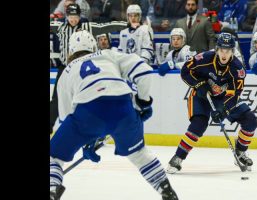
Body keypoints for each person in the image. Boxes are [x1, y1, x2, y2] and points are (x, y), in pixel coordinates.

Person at [49, 30, 179, 200]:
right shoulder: (109, 54)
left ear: (71, 50)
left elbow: (67, 117)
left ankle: (51, 189)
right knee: (139, 154)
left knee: (55, 156)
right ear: (94, 46)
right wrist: (142, 103)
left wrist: (87, 139)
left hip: (87, 113)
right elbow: (144, 71)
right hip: (123, 108)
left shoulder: (66, 71)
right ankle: (167, 191)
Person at [166, 33, 257, 173]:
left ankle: (240, 152)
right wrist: (198, 84)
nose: (224, 54)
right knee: (199, 124)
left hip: (223, 98)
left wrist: (223, 110)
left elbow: (234, 94)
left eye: (228, 51)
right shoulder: (204, 58)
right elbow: (185, 71)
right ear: (217, 49)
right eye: (221, 49)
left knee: (250, 120)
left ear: (233, 51)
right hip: (201, 95)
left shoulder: (237, 69)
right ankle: (178, 157)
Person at [50, 3, 92, 134]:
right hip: (64, 67)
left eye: (76, 17)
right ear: (66, 16)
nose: (73, 20)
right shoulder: (60, 27)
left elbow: (105, 27)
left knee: (85, 96)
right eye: (70, 16)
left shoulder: (86, 25)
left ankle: (90, 127)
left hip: (82, 66)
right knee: (57, 98)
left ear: (80, 16)